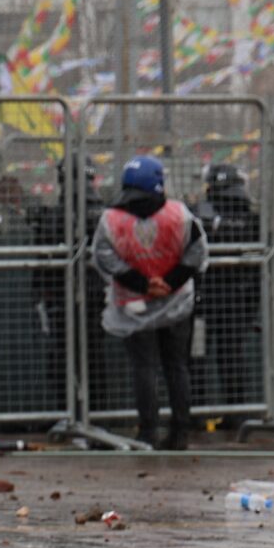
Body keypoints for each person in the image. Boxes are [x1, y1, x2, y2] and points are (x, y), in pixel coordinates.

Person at [89, 154, 206, 452]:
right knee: (177, 366)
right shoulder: (179, 214)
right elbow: (196, 252)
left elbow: (104, 256)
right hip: (176, 300)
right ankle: (180, 433)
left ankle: (148, 433)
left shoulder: (111, 219)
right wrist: (170, 282)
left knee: (144, 367)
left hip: (134, 304)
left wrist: (143, 284)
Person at [193, 162, 263, 416]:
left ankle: (197, 414)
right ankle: (236, 415)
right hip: (239, 300)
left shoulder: (200, 214)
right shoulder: (252, 218)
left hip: (203, 299)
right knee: (231, 357)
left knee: (197, 357)